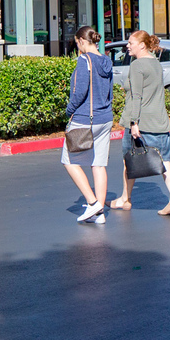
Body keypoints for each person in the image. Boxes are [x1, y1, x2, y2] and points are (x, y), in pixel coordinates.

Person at [110, 30, 170, 217]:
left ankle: (125, 198)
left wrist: (134, 122)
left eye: (131, 43)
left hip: (142, 122)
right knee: (165, 161)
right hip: (159, 121)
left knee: (129, 161)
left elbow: (136, 96)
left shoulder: (137, 65)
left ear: (141, 45)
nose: (127, 46)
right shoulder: (156, 63)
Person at [61, 25, 114, 224]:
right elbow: (109, 92)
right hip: (105, 118)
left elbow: (79, 92)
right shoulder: (106, 60)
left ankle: (93, 203)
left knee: (69, 160)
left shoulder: (84, 61)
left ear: (82, 41)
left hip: (85, 119)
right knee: (98, 164)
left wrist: (68, 112)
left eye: (77, 43)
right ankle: (99, 212)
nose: (77, 48)